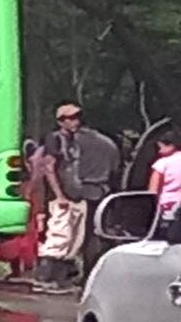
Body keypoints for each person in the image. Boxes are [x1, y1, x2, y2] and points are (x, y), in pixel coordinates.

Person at [34, 101, 120, 294]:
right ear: (60, 121)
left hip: (76, 195)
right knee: (63, 235)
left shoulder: (71, 141)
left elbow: (53, 168)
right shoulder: (61, 140)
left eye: (76, 116)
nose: (74, 121)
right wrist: (60, 195)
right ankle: (48, 277)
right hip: (76, 195)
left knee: (70, 237)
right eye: (69, 118)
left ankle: (54, 277)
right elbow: (49, 168)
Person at [149, 130, 181, 223]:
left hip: (168, 211)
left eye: (160, 146)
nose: (158, 151)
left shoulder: (162, 164)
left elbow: (152, 191)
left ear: (171, 145)